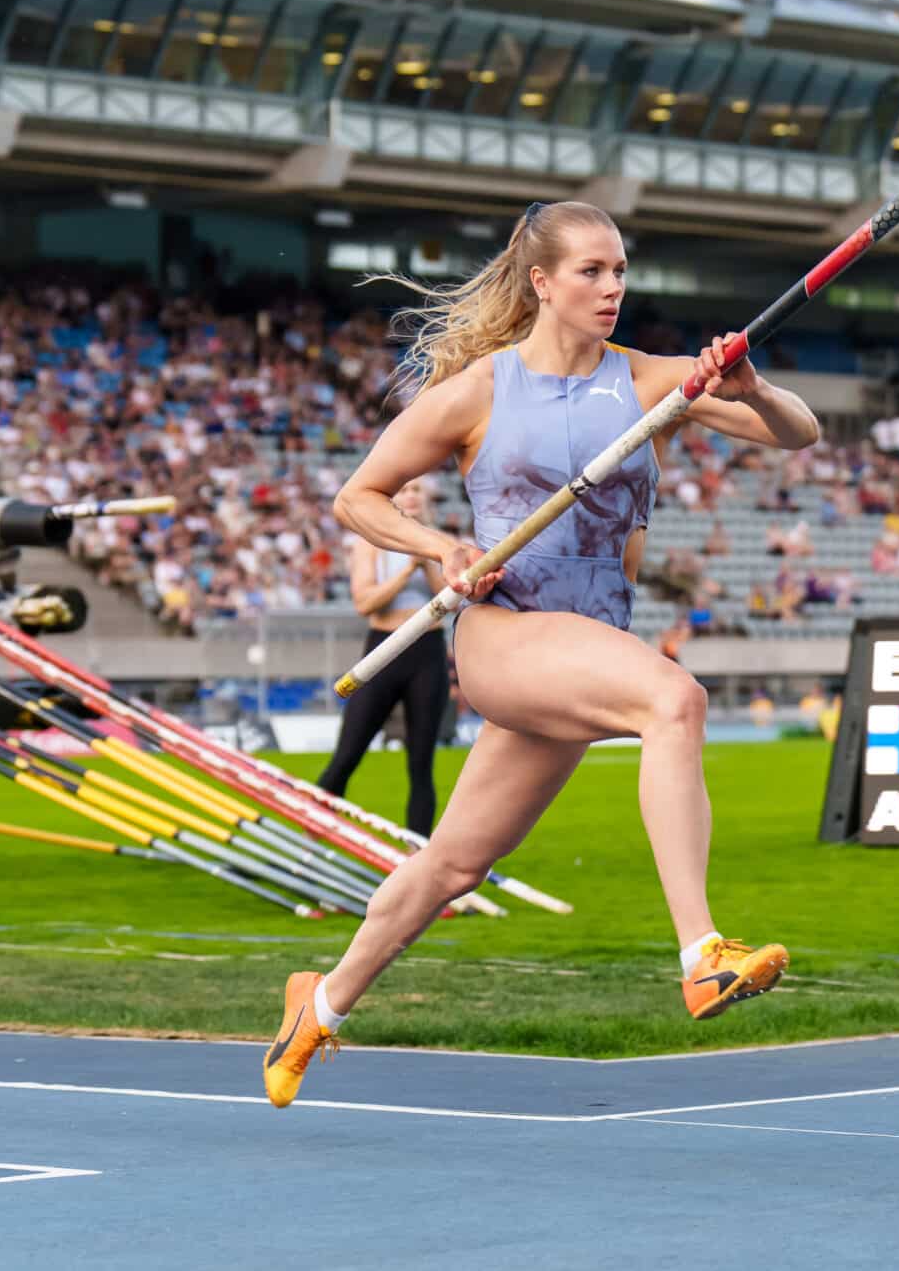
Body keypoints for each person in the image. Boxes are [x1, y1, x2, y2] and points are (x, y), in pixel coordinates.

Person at [263, 200, 821, 1107]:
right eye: (591, 272)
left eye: (619, 272)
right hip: (505, 637)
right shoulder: (478, 391)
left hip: (588, 642)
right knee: (673, 702)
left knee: (451, 866)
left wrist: (751, 387)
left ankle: (317, 1005)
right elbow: (360, 497)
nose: (611, 288)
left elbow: (801, 434)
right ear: (541, 282)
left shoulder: (646, 381)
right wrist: (438, 550)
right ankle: (701, 953)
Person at [313, 481, 454, 837]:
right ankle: (311, 836)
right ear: (393, 498)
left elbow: (454, 598)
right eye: (405, 489)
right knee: (347, 754)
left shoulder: (442, 544)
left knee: (421, 762)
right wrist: (407, 570)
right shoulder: (371, 543)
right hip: (383, 650)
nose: (412, 496)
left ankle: (416, 853)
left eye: (419, 490)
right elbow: (365, 604)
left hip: (427, 652)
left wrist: (427, 565)